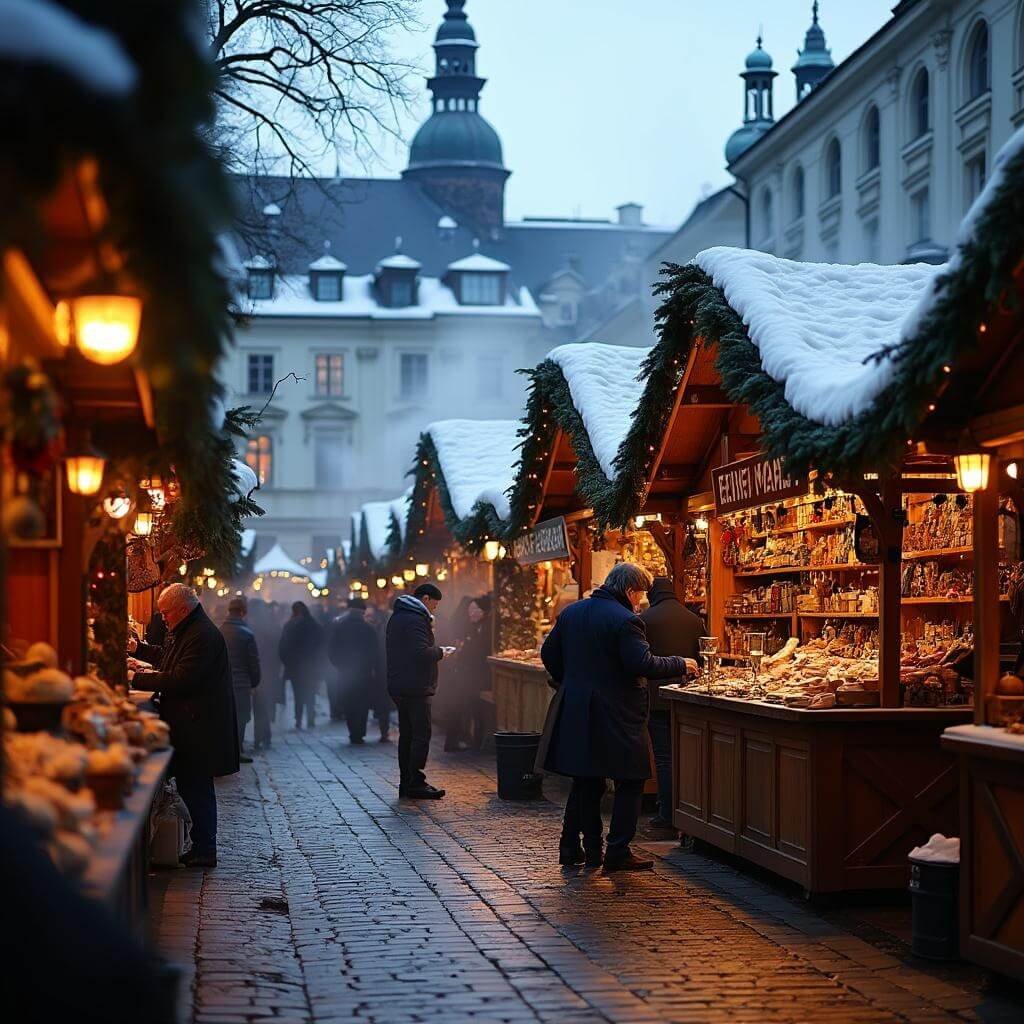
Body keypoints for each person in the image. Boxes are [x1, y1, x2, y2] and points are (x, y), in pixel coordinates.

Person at [539, 562, 689, 873]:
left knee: (587, 779)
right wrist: (680, 663)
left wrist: (572, 683)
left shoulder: (572, 612)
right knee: (631, 779)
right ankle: (617, 850)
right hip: (618, 712)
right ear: (630, 590)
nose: (641, 602)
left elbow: (549, 654)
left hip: (578, 709)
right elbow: (641, 663)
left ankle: (581, 847)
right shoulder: (625, 620)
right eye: (640, 595)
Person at [130, 584, 239, 867]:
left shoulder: (201, 635)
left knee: (198, 788)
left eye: (165, 613)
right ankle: (201, 846)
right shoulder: (189, 629)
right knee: (193, 787)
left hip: (199, 728)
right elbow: (170, 660)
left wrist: (135, 679)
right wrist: (138, 649)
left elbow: (181, 678)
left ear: (182, 609)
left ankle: (205, 849)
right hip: (193, 725)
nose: (163, 618)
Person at [640, 577, 703, 839]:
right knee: (686, 757)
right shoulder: (693, 620)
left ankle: (667, 814)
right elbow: (701, 658)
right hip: (686, 698)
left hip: (656, 700)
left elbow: (641, 660)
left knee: (664, 759)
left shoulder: (644, 619)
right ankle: (688, 812)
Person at [386, 582, 452, 799]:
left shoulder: (399, 616)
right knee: (420, 735)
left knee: (408, 735)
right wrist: (442, 652)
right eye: (434, 604)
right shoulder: (415, 620)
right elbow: (420, 653)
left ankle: (407, 782)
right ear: (426, 599)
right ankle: (415, 781)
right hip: (415, 686)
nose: (435, 609)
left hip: (401, 684)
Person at [328, 597, 380, 744]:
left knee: (349, 702)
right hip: (364, 672)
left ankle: (353, 731)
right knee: (362, 703)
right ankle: (360, 731)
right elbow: (375, 651)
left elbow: (332, 650)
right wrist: (373, 667)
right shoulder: (369, 628)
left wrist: (339, 664)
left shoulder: (340, 627)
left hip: (346, 671)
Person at [219, 596, 261, 764]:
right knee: (241, 718)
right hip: (242, 684)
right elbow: (253, 662)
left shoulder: (219, 631)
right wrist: (255, 682)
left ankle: (227, 751)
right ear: (243, 613)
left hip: (224, 682)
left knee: (226, 717)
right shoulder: (247, 634)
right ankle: (238, 750)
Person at [278, 601, 324, 729]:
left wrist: (287, 663)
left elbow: (283, 647)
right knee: (310, 692)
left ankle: (298, 718)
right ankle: (310, 718)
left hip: (295, 667)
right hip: (311, 666)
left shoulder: (289, 626)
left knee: (298, 693)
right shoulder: (315, 625)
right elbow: (322, 647)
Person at [246, 598, 277, 750]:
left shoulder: (250, 627)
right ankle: (264, 736)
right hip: (268, 671)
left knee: (257, 706)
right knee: (263, 706)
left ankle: (260, 737)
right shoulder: (271, 625)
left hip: (257, 671)